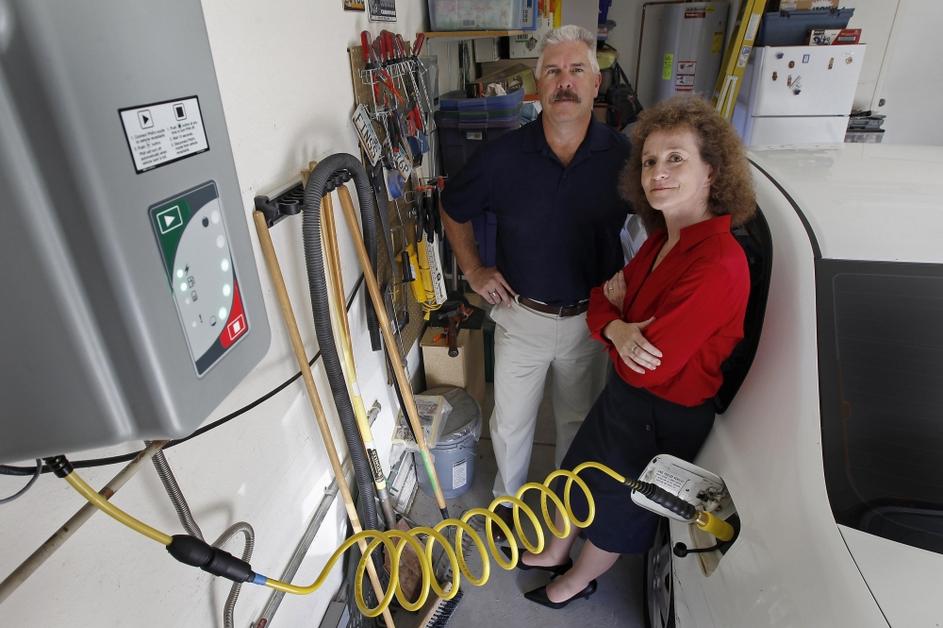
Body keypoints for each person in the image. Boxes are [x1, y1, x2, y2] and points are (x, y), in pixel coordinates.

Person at [517, 94, 756, 608]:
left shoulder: (717, 263)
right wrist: (620, 328)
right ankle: (554, 551)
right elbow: (602, 298)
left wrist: (616, 324)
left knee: (618, 505)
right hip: (624, 396)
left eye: (676, 158)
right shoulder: (662, 238)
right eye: (649, 161)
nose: (657, 173)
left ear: (712, 171)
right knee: (580, 472)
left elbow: (648, 368)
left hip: (663, 415)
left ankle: (576, 582)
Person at [439, 25, 632, 533]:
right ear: (537, 84)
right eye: (553, 71)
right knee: (510, 424)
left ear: (595, 82)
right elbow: (453, 207)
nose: (564, 81)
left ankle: (563, 512)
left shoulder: (624, 159)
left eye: (576, 70)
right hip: (521, 315)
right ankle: (507, 505)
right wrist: (474, 269)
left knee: (575, 423)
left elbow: (657, 225)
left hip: (591, 321)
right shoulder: (502, 156)